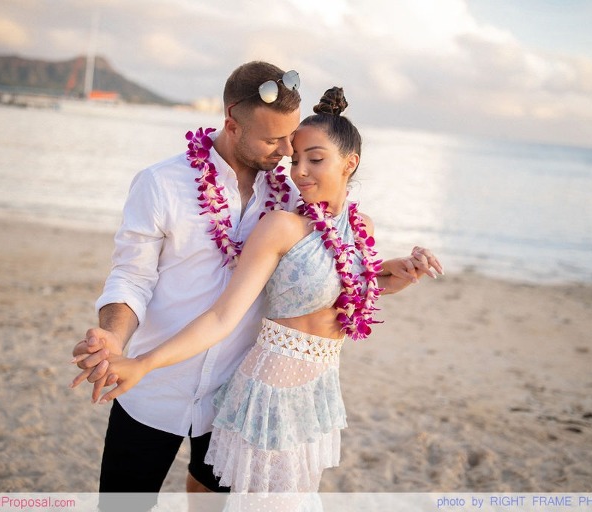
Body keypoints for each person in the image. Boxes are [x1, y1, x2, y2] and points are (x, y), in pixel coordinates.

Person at [71, 62, 442, 509]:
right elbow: (132, 276)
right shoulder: (162, 184)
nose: (288, 153)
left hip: (237, 399)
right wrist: (114, 338)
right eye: (274, 140)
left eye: (294, 141)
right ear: (232, 124)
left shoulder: (290, 194)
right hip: (154, 387)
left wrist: (385, 272)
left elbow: (325, 271)